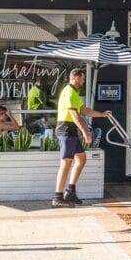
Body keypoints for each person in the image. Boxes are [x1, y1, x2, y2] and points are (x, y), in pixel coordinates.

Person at [52, 68, 111, 207]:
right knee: (66, 164)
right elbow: (75, 115)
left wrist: (102, 114)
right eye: (83, 78)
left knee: (81, 159)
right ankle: (57, 197)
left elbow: (85, 111)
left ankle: (70, 191)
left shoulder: (74, 93)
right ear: (76, 78)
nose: (84, 81)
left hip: (71, 132)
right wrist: (86, 133)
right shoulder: (69, 92)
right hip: (66, 130)